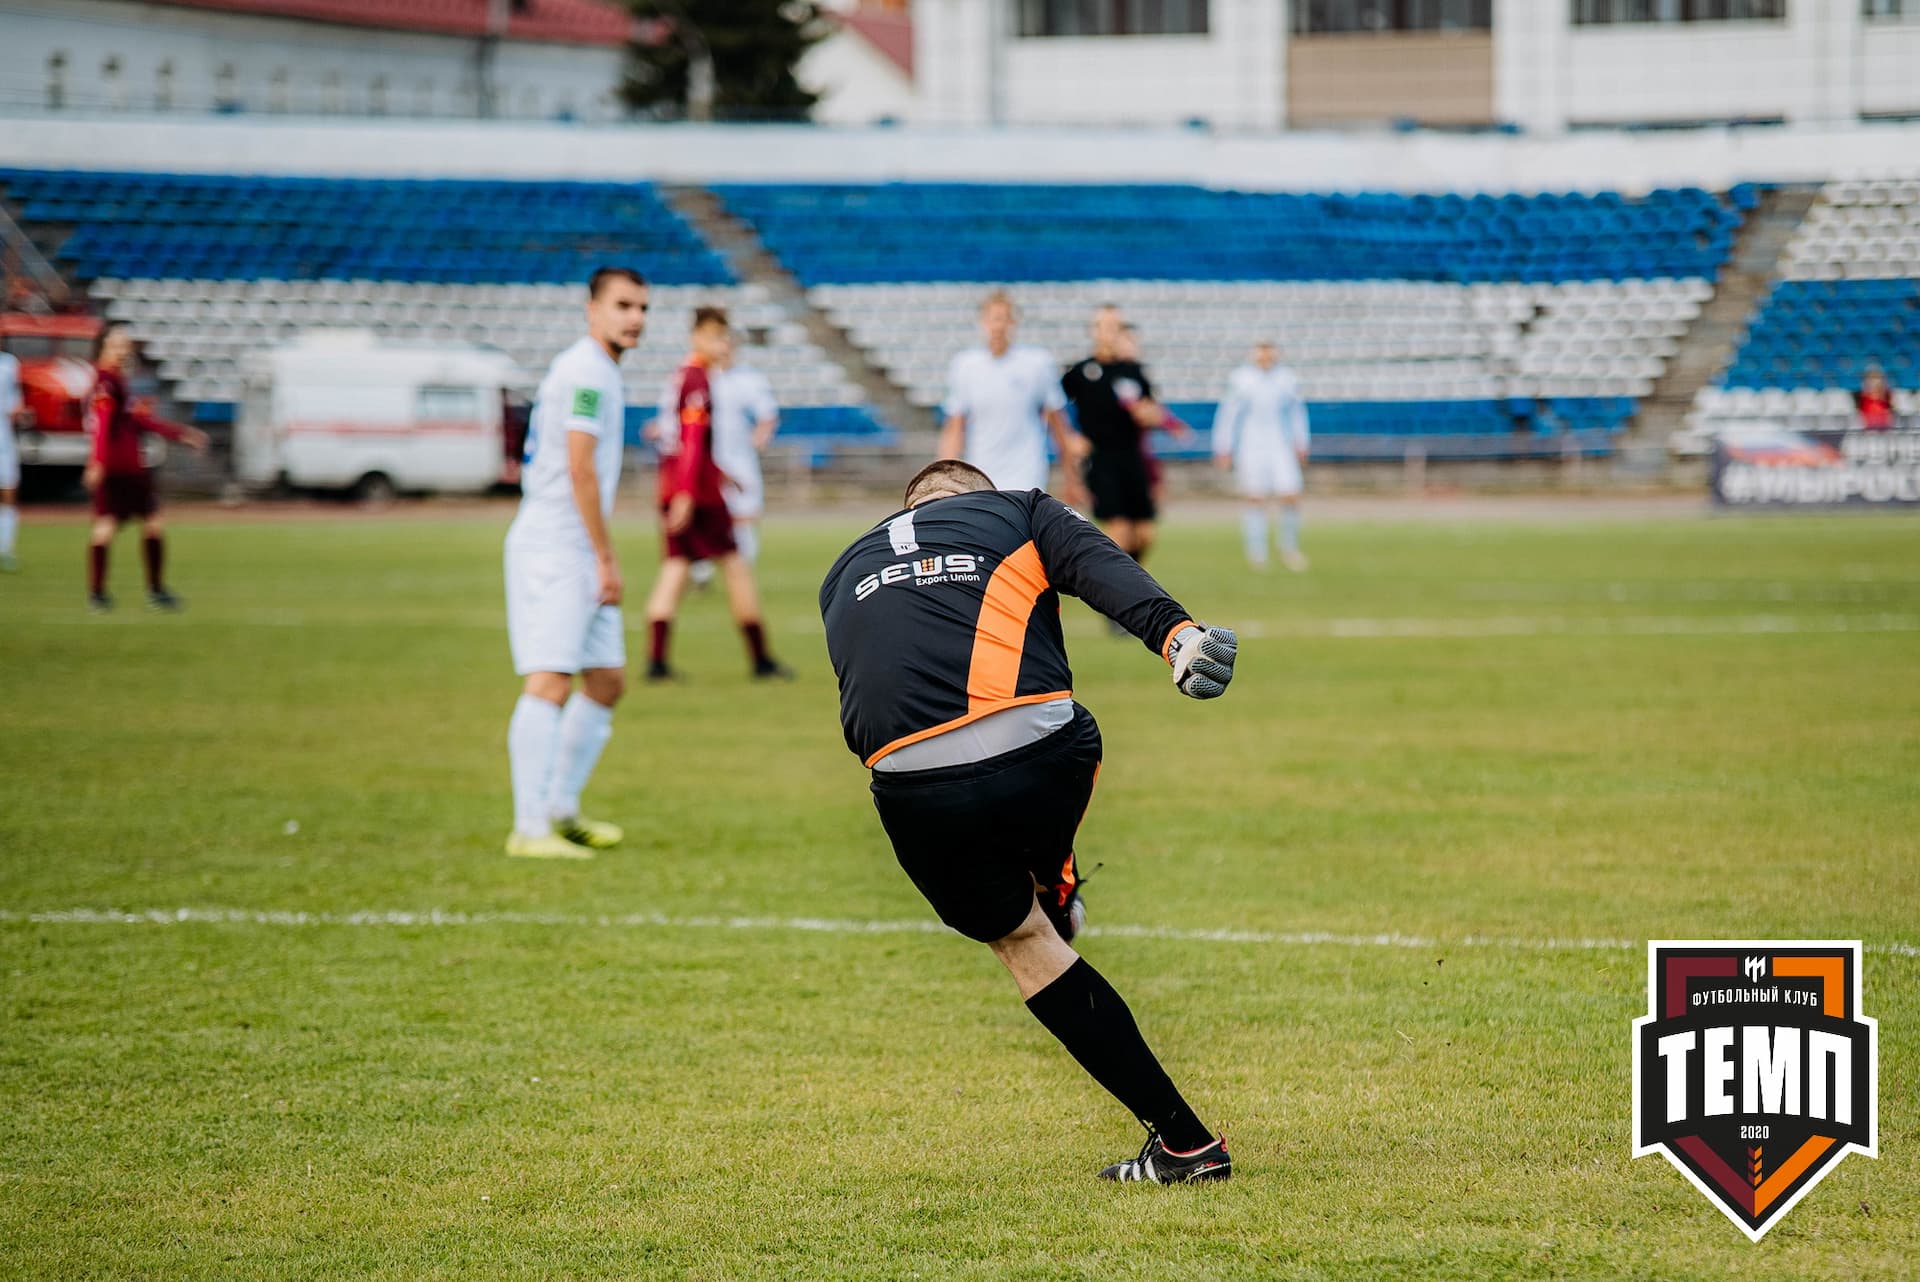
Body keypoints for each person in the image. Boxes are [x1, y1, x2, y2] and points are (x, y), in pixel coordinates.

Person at [819, 458, 1240, 1184]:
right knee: (1046, 776)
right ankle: (1056, 877)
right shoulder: (1016, 509)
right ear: (979, 497)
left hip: (908, 780)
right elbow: (1099, 565)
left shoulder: (843, 568)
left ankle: (1187, 1147)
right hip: (1043, 746)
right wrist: (1179, 637)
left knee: (1022, 939)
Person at [502, 266, 648, 861]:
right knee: (550, 679)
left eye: (642, 307)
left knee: (606, 680)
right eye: (622, 305)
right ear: (592, 309)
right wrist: (605, 557)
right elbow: (580, 467)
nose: (634, 317)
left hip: (576, 546)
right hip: (557, 546)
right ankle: (528, 827)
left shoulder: (598, 371)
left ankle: (561, 808)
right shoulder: (585, 372)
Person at [643, 306, 791, 683]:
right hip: (700, 497)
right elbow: (692, 443)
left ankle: (657, 662)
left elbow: (685, 444)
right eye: (714, 337)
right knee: (736, 568)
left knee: (676, 569)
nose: (721, 345)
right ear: (697, 338)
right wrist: (689, 493)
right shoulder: (696, 380)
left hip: (688, 487)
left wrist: (719, 476)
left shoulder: (682, 377)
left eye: (724, 337)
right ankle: (761, 659)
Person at [83, 325, 208, 610]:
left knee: (111, 524)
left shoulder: (115, 382)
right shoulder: (106, 383)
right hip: (122, 465)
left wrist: (180, 434)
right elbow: (102, 425)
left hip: (122, 464)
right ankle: (153, 589)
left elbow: (140, 421)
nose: (123, 351)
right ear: (103, 348)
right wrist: (98, 461)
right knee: (148, 522)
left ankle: (99, 593)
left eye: (125, 346)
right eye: (117, 346)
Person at [939, 290, 1088, 506]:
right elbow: (954, 428)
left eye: (1004, 319)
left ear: (1013, 322)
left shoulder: (1037, 363)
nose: (998, 326)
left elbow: (1059, 425)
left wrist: (1072, 478)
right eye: (993, 318)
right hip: (981, 472)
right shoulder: (965, 365)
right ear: (983, 322)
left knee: (1022, 535)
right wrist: (944, 478)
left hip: (1027, 472)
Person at [659, 323, 779, 586]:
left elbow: (767, 415)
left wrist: (759, 436)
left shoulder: (748, 379)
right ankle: (702, 571)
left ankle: (741, 572)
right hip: (704, 460)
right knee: (704, 515)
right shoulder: (699, 379)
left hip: (739, 459)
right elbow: (677, 420)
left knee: (743, 516)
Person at [1214, 341, 1311, 573]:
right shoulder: (1241, 379)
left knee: (1291, 495)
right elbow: (1228, 414)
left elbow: (1297, 412)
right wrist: (1223, 446)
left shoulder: (1286, 378)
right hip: (1251, 446)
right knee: (1255, 497)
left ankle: (1288, 546)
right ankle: (1257, 552)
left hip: (1281, 444)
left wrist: (1301, 442)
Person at [0, 342, 21, 572]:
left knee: (8, 491)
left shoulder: (8, 364)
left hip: (4, 439)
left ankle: (5, 548)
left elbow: (15, 403)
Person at [1857, 365, 1896, 432]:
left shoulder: (1888, 395)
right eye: (1871, 378)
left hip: (1885, 429)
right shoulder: (1863, 395)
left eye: (1877, 377)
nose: (1874, 381)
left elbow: (1892, 410)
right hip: (1868, 430)